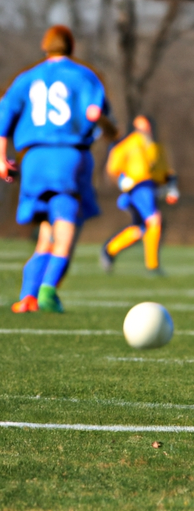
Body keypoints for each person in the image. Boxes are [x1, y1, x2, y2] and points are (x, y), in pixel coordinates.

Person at [0, 25, 117, 313]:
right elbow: (105, 123)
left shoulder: (26, 78)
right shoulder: (83, 76)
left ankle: (27, 297)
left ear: (45, 47)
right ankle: (48, 293)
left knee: (45, 235)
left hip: (34, 159)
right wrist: (101, 120)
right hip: (67, 158)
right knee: (64, 235)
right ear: (72, 48)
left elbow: (4, 117)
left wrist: (1, 158)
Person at [100, 115, 179, 274]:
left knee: (140, 229)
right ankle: (153, 266)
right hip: (138, 188)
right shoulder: (128, 144)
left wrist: (171, 187)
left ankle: (110, 250)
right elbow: (113, 168)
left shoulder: (156, 146)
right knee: (154, 220)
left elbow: (164, 171)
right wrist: (122, 180)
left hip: (151, 188)